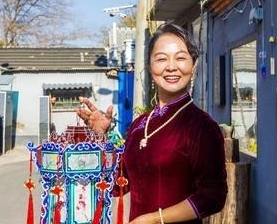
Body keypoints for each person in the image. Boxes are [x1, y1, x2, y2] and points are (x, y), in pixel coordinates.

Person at [77, 23, 227, 224]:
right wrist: (101, 137)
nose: (171, 66)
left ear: (194, 65)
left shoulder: (202, 127)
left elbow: (213, 196)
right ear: (149, 66)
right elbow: (119, 184)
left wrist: (156, 219)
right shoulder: (140, 124)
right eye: (161, 58)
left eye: (181, 58)